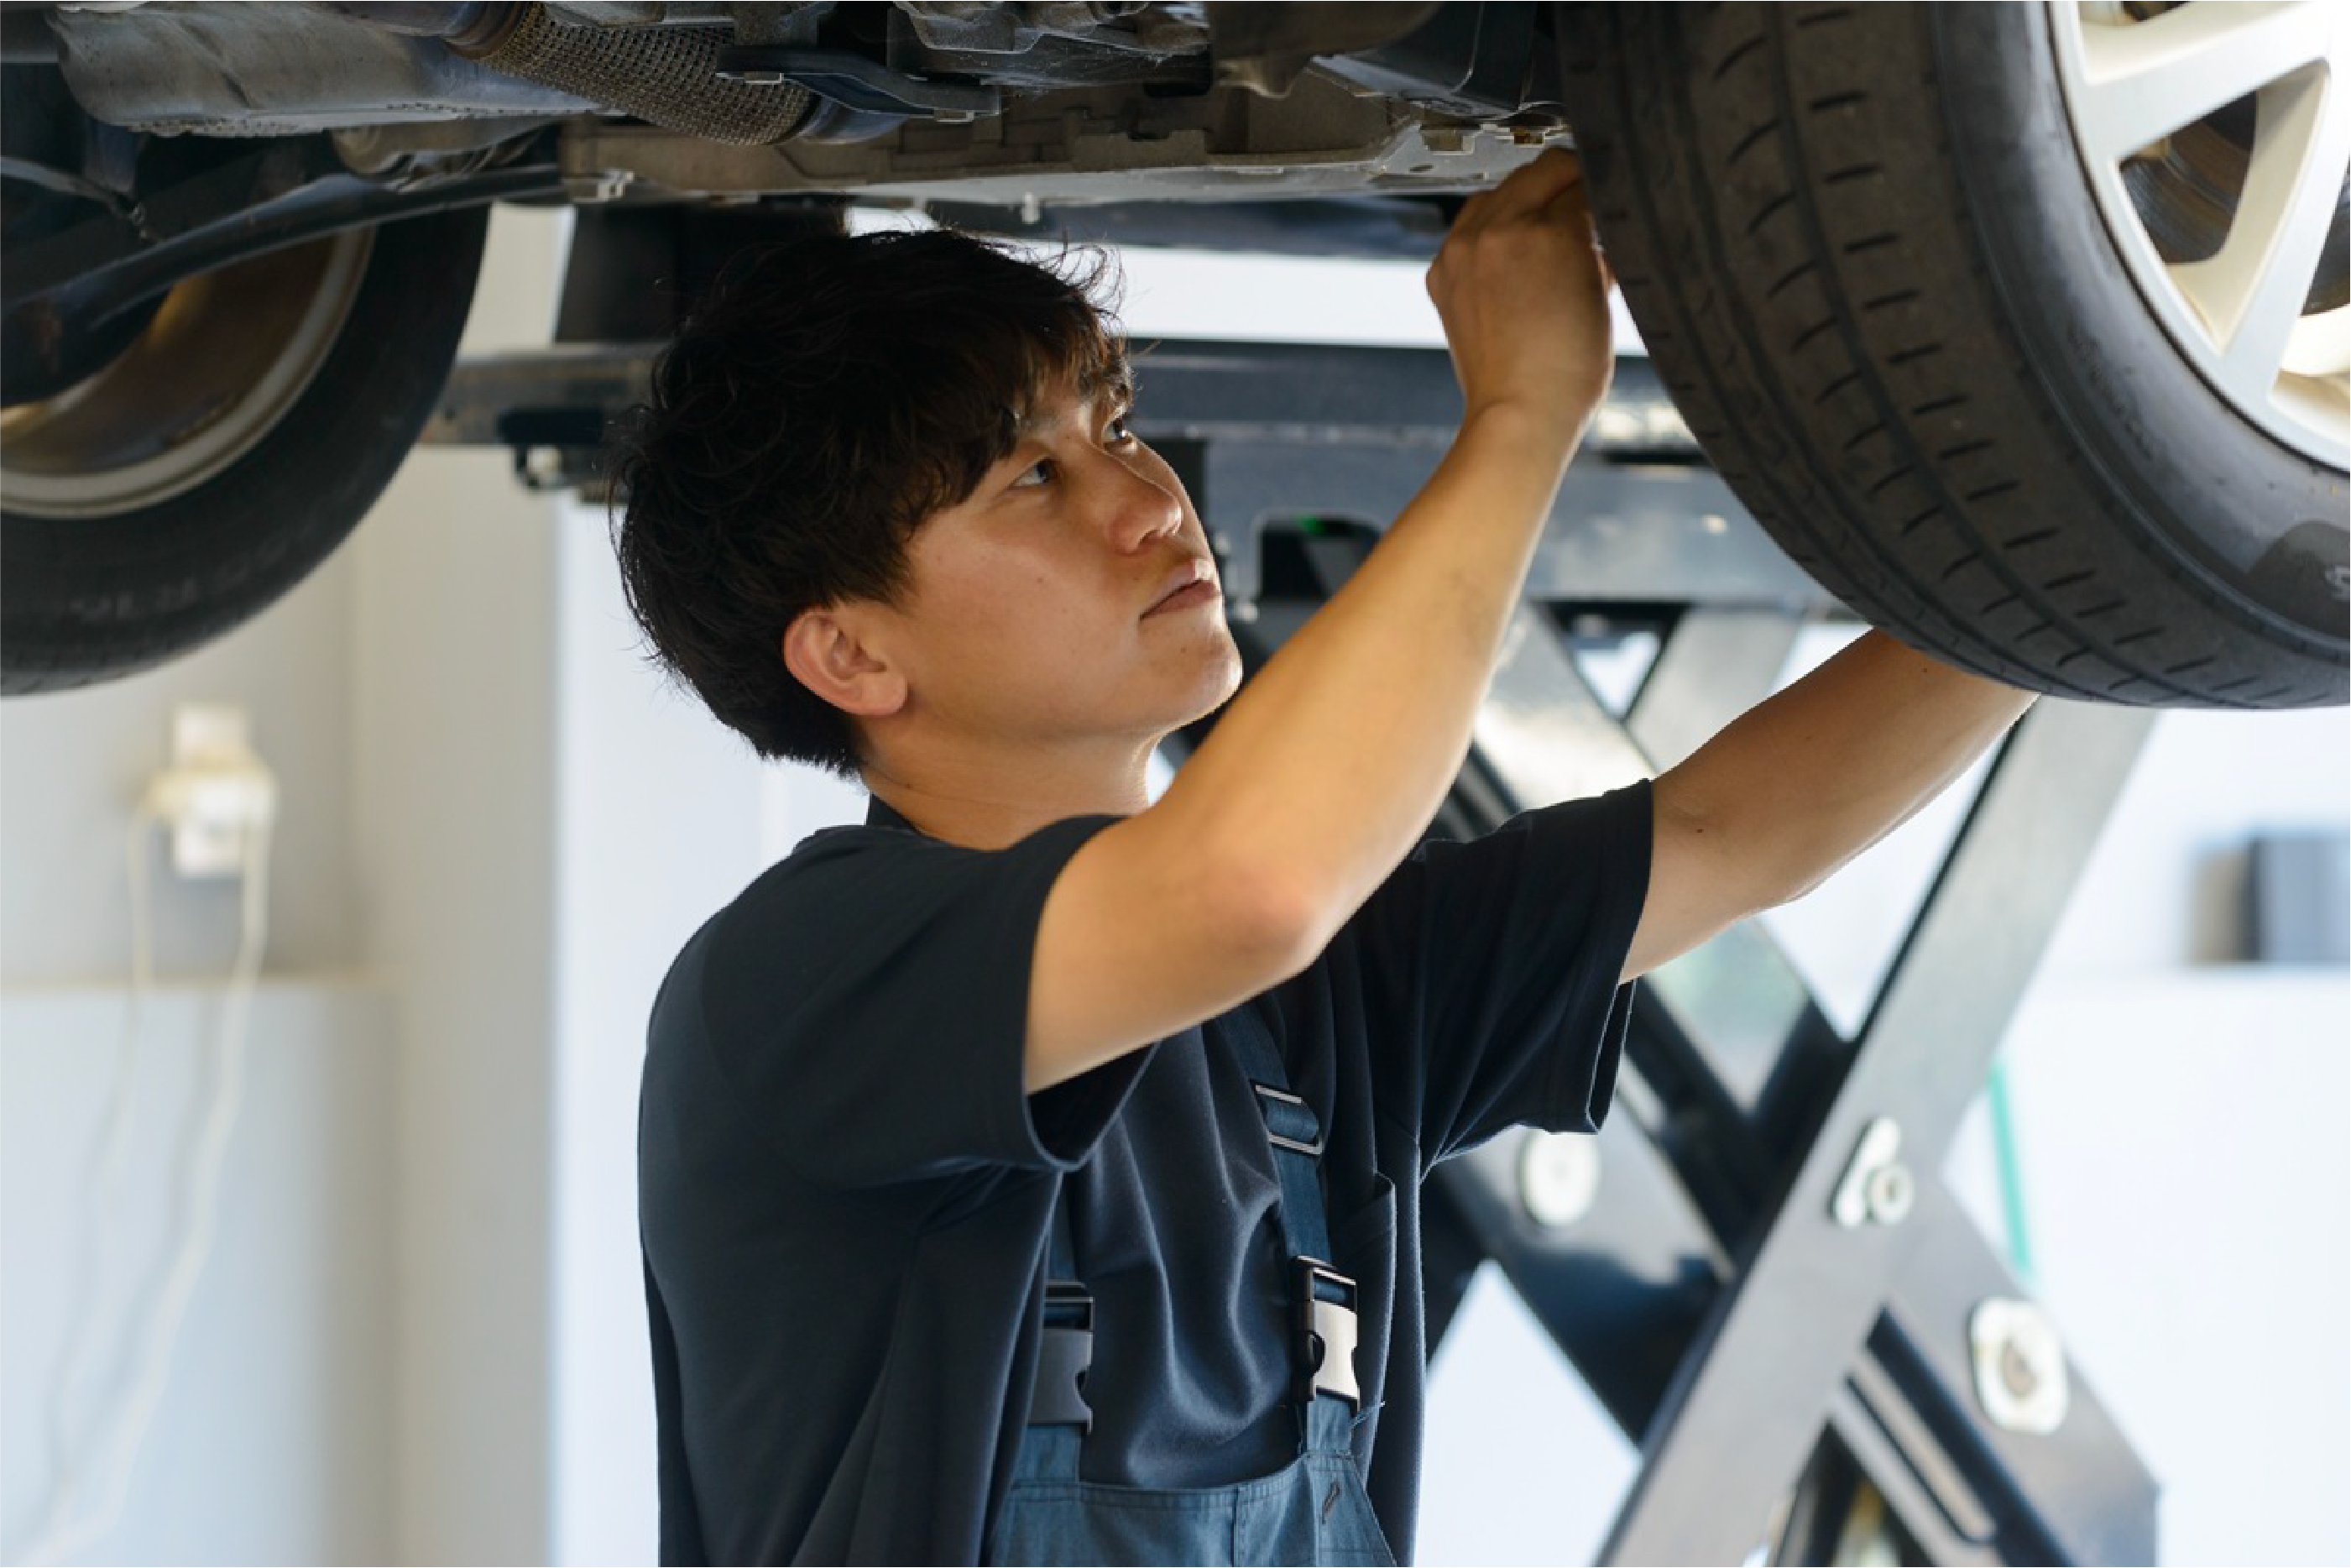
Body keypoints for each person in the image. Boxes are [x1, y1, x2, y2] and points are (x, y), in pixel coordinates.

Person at [610, 150, 2034, 1566]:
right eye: (1032, 475)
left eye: (1116, 421)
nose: (1147, 497)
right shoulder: (798, 989)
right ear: (852, 652)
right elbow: (1253, 887)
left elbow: (1747, 829)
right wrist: (1525, 414)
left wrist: (2100, 555)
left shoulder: (1306, 1011)